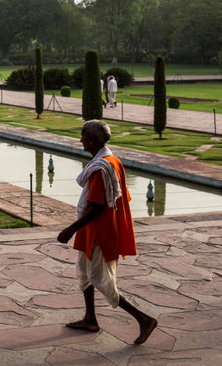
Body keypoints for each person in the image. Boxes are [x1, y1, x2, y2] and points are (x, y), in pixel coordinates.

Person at [57, 120, 158, 345]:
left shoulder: (102, 167)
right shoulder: (108, 161)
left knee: (100, 280)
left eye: (83, 136)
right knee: (83, 273)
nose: (80, 139)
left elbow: (98, 205)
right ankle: (90, 318)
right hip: (91, 229)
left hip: (100, 231)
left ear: (92, 140)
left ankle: (144, 319)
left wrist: (71, 229)